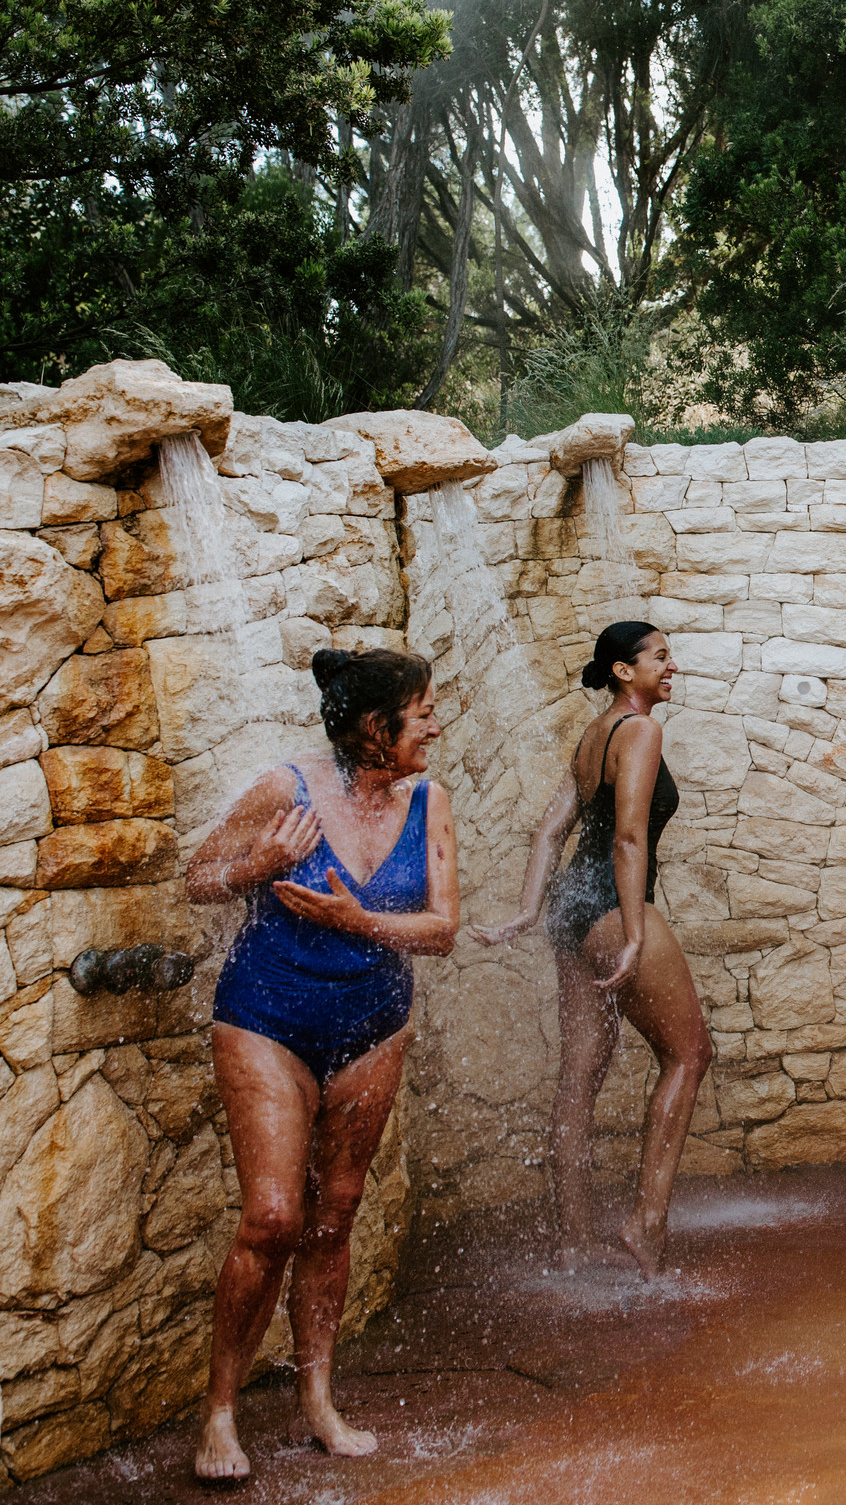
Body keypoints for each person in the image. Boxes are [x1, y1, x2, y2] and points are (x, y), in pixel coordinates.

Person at [185, 648, 461, 1482]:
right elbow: (200, 880)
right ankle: (220, 1414)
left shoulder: (428, 800)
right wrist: (260, 867)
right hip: (267, 1018)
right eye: (421, 714)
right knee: (271, 1218)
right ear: (375, 727)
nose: (435, 726)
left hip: (373, 1026)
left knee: (333, 1220)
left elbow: (443, 928)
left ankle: (317, 1401)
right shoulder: (284, 789)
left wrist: (358, 920)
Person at [474, 623, 710, 1279]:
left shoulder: (592, 735)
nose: (671, 667)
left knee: (580, 1074)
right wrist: (634, 932)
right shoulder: (638, 731)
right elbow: (628, 839)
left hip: (569, 907)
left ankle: (572, 1239)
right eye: (659, 657)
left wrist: (529, 910)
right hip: (608, 904)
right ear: (621, 670)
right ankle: (645, 1221)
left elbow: (551, 832)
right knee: (690, 1053)